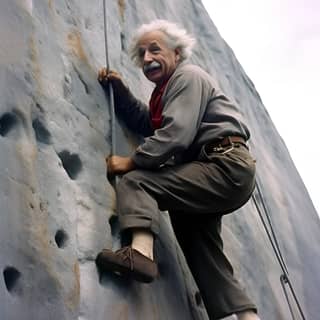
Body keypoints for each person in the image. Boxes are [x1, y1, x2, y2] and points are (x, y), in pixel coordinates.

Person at [96, 19, 260, 320]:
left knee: (137, 181)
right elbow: (151, 124)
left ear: (176, 53)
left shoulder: (188, 76)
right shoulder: (166, 94)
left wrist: (131, 162)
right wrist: (120, 93)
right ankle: (248, 317)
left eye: (154, 49)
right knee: (198, 242)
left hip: (223, 164)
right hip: (217, 169)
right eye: (142, 54)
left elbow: (176, 133)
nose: (147, 58)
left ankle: (141, 255)